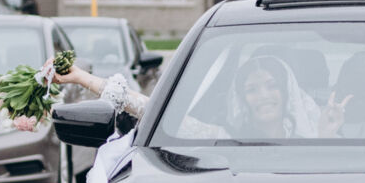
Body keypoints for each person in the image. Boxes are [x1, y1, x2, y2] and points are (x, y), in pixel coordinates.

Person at [29, 54, 348, 138]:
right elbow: (149, 108)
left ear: (286, 91)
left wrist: (326, 135)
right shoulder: (223, 138)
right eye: (252, 89)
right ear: (241, 98)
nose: (264, 96)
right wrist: (82, 78)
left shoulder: (313, 134)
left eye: (271, 85)